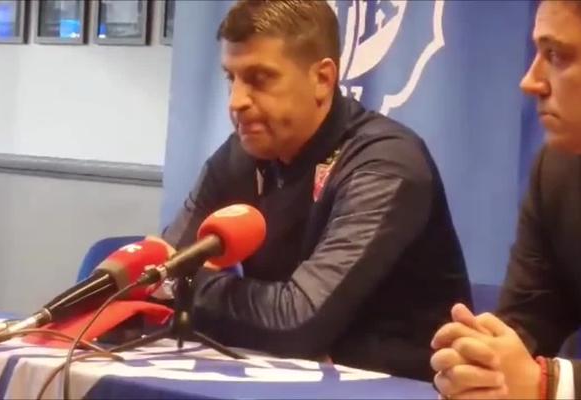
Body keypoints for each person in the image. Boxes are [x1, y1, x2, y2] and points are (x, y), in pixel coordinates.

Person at [162, 0, 471, 381]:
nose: (237, 101)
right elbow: (161, 262)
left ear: (322, 79)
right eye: (231, 77)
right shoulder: (244, 152)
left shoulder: (386, 163)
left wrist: (185, 284)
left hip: (401, 388)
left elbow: (298, 322)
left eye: (259, 78)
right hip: (291, 378)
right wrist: (170, 276)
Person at [430, 0, 581, 398]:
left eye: (557, 56)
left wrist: (549, 384)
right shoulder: (557, 170)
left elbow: (537, 380)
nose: (530, 82)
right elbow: (528, 319)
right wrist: (481, 362)